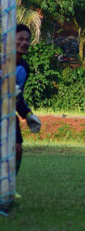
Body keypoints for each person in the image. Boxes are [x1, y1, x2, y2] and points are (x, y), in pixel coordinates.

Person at [14, 25, 41, 180]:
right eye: (20, 39)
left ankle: (8, 187)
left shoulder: (24, 67)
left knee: (17, 150)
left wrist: (28, 115)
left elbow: (19, 98)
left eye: (27, 39)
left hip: (8, 114)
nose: (24, 43)